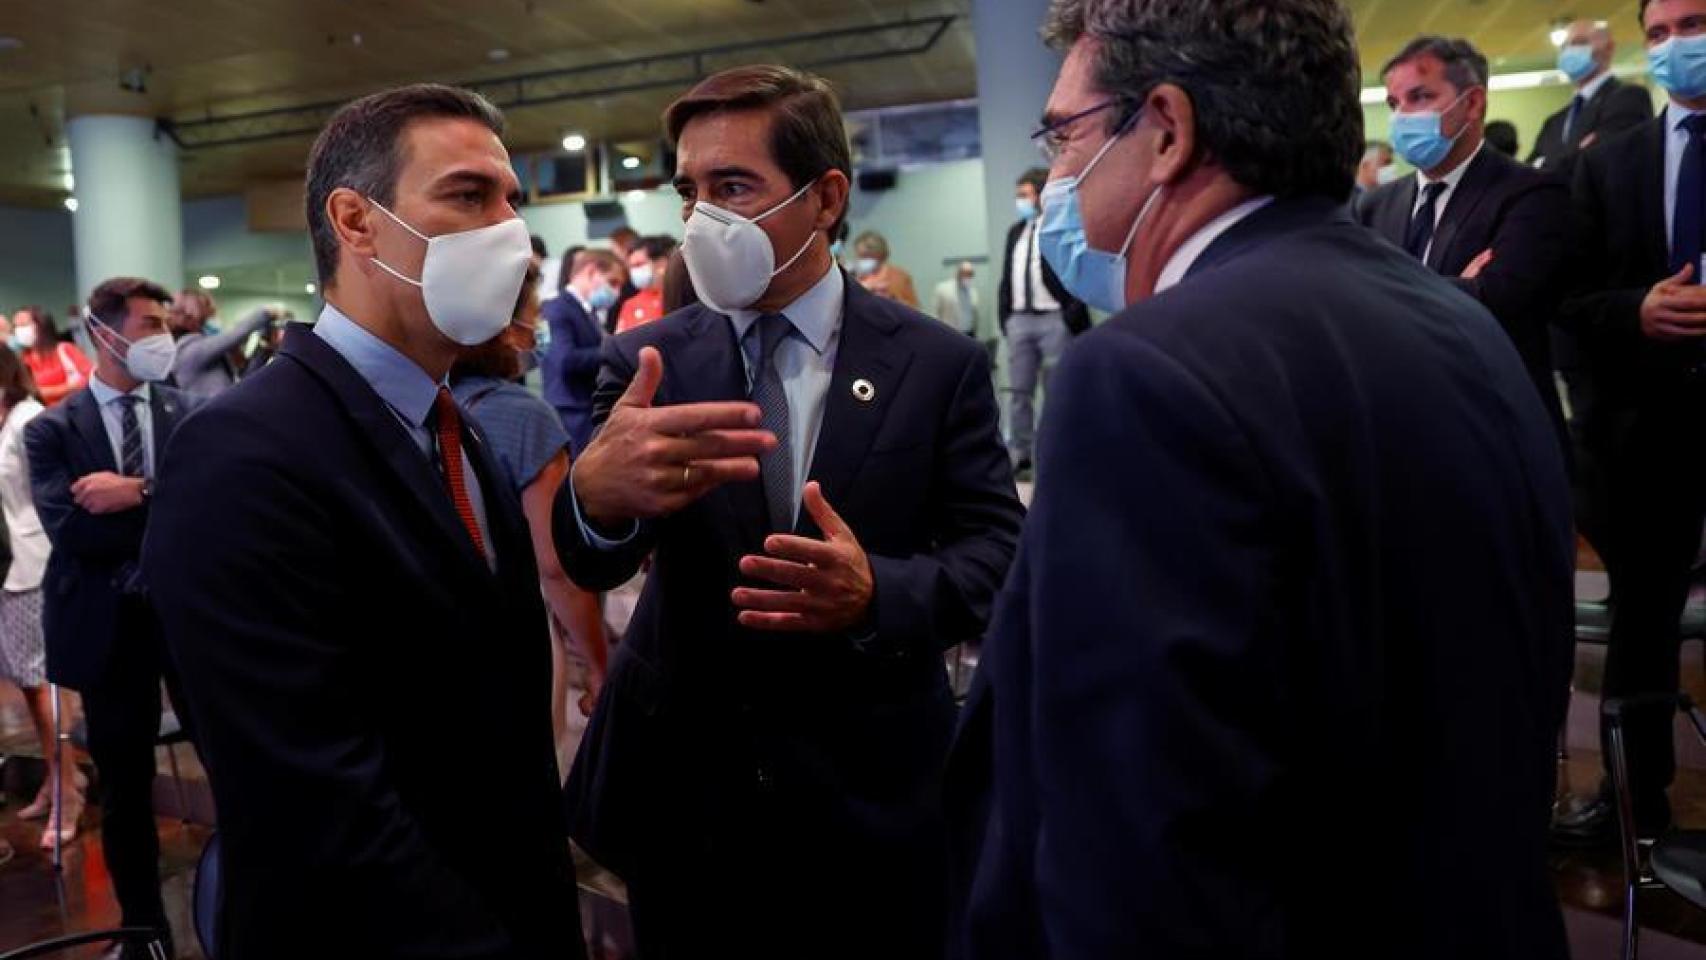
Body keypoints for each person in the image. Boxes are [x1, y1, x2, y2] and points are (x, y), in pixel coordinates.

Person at [946, 1, 1574, 958]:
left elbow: (1138, 842)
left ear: (1166, 130)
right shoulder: (1452, 315)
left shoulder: (1149, 370)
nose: (1056, 176)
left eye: (1065, 134)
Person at [559, 64, 1023, 959]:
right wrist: (593, 501)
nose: (703, 220)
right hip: (690, 794)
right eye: (690, 191)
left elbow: (996, 556)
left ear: (825, 199)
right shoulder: (645, 360)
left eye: (734, 188)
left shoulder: (938, 364)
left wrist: (876, 592)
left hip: (873, 790)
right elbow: (595, 561)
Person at [139, 84, 582, 959]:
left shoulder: (454, 428)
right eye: (467, 196)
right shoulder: (244, 450)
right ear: (356, 220)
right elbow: (307, 792)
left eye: (511, 203)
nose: (508, 234)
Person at [1551, 0, 1706, 846]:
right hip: (1648, 436)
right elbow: (1569, 303)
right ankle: (1636, 799)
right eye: (1659, 32)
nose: (1677, 45)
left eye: (1694, 24)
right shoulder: (1610, 166)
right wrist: (1636, 310)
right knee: (1643, 631)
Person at [26, 277, 203, 958]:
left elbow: (210, 509)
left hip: (188, 620)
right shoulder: (52, 430)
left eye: (165, 321)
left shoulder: (187, 412)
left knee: (230, 754)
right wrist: (169, 514)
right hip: (105, 630)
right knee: (126, 791)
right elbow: (75, 534)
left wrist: (140, 491)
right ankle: (143, 932)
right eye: (149, 322)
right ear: (103, 334)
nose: (163, 334)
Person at [1355, 35, 1572, 447]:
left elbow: (1500, 302)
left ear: (1472, 104)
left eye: (1419, 97)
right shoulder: (1376, 205)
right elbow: (1349, 305)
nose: (1402, 116)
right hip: (1399, 424)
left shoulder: (1530, 191)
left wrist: (1381, 295)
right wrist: (1455, 287)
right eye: (1394, 103)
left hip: (1496, 427)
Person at [451, 261, 609, 767]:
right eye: (532, 316)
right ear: (501, 325)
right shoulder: (523, 416)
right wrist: (598, 664)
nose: (536, 330)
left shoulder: (418, 405)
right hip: (514, 632)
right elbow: (555, 565)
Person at [0, 346, 84, 852]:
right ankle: (59, 779)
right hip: (8, 568)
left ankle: (68, 790)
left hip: (34, 563)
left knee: (42, 681)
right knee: (30, 686)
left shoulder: (29, 418)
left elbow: (51, 490)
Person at [999, 166, 1093, 475]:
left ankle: (1057, 453)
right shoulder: (1015, 231)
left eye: (1024, 195)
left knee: (1056, 391)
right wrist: (1006, 316)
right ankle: (1021, 454)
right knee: (1018, 393)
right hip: (1020, 321)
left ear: (1040, 195)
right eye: (1017, 195)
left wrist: (1070, 315)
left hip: (1054, 318)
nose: (1019, 201)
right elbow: (1007, 276)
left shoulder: (1058, 227)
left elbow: (1075, 270)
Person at [1530, 19, 1654, 179]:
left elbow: (1605, 161)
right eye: (1564, 47)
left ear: (1609, 48)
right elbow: (1529, 173)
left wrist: (1546, 165)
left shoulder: (1628, 98)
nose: (1569, 51)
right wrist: (1576, 154)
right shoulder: (1554, 122)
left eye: (1580, 43)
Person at [543, 249, 623, 454]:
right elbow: (566, 360)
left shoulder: (588, 311)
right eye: (612, 282)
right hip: (572, 410)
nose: (616, 292)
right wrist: (614, 348)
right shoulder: (558, 308)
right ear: (591, 271)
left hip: (587, 408)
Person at [168, 290, 281, 397]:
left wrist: (265, 346)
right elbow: (236, 334)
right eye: (207, 317)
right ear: (191, 315)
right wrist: (268, 311)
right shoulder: (190, 350)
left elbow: (246, 382)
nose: (212, 319)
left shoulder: (207, 352)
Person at [13, 307, 91, 407]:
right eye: (16, 326)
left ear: (41, 325)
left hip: (75, 411)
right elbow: (26, 392)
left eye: (23, 324)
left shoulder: (65, 349)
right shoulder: (22, 360)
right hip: (45, 417)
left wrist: (47, 391)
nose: (19, 330)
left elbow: (90, 378)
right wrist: (70, 387)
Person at [617, 235, 678, 332]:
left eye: (639, 264)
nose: (634, 271)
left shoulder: (680, 295)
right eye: (631, 267)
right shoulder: (630, 304)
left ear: (661, 263)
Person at [850, 229, 920, 306]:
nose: (862, 261)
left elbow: (914, 309)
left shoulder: (899, 277)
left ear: (881, 254)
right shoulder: (854, 278)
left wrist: (890, 299)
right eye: (859, 256)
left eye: (866, 256)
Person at [605, 226, 642, 332]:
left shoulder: (634, 279)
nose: (611, 254)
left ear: (625, 247)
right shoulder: (620, 276)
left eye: (613, 249)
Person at [933, 260, 981, 336]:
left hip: (969, 334)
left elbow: (975, 316)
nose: (968, 276)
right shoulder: (943, 289)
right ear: (958, 273)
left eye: (970, 274)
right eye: (965, 273)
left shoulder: (973, 292)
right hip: (950, 333)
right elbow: (936, 314)